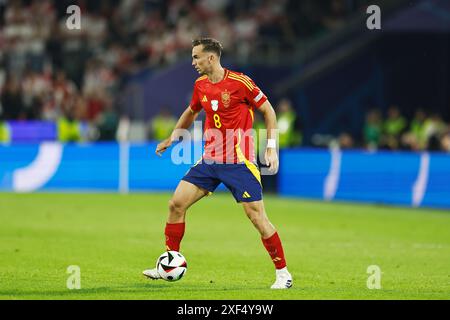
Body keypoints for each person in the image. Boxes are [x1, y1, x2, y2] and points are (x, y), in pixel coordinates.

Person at [142, 38, 293, 289]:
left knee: (257, 217)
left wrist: (270, 147)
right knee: (176, 204)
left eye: (196, 57)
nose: (193, 62)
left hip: (239, 161)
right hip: (210, 159)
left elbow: (269, 111)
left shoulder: (240, 82)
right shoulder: (200, 84)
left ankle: (283, 273)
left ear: (211, 58)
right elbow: (191, 111)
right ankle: (169, 261)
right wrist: (173, 137)